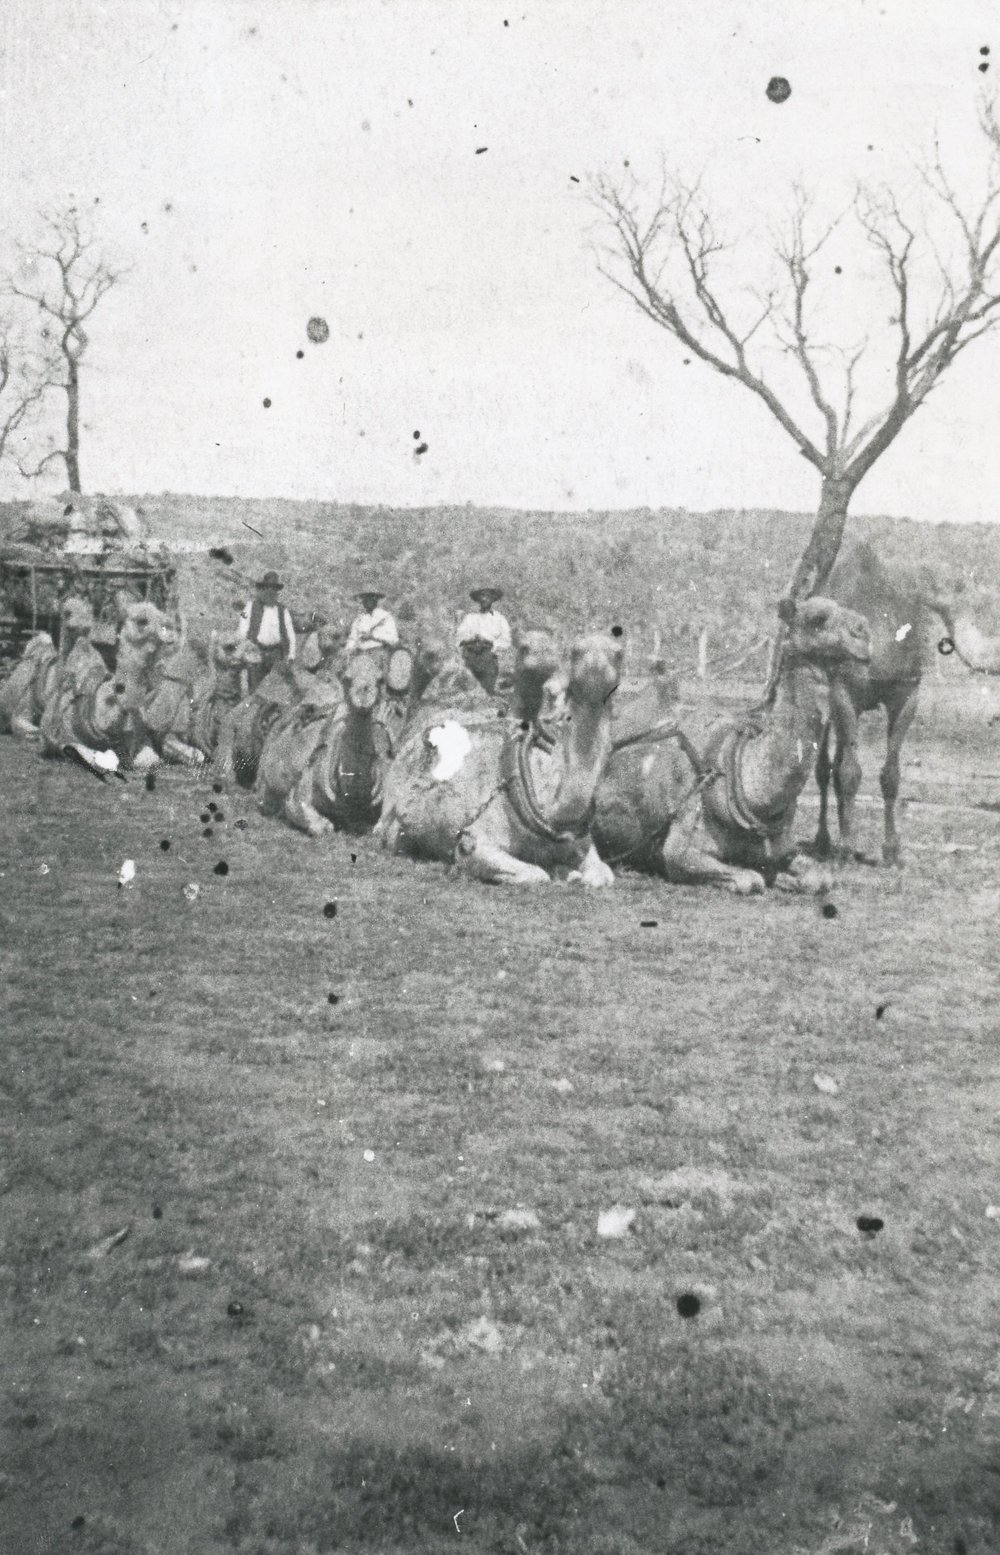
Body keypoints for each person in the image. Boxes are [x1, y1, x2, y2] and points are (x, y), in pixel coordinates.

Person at [236, 571, 296, 690]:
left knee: (275, 689)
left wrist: (291, 655)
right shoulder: (250, 606)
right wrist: (244, 649)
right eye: (268, 587)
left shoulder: (282, 610)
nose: (271, 591)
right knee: (255, 688)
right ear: (263, 588)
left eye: (274, 588)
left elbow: (290, 634)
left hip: (276, 655)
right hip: (256, 652)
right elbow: (242, 627)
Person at [456, 588, 512, 654]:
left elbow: (506, 640)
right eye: (482, 595)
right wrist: (472, 638)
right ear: (478, 598)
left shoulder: (499, 619)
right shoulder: (470, 618)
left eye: (487, 596)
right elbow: (460, 636)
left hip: (490, 657)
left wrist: (490, 642)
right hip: (471, 657)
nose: (484, 599)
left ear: (492, 598)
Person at [345, 589, 399, 656]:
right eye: (365, 599)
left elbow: (393, 639)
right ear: (363, 602)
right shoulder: (359, 620)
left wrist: (372, 636)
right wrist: (349, 649)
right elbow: (352, 638)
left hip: (381, 653)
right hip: (361, 654)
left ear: (376, 600)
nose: (368, 601)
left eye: (371, 598)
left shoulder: (386, 617)